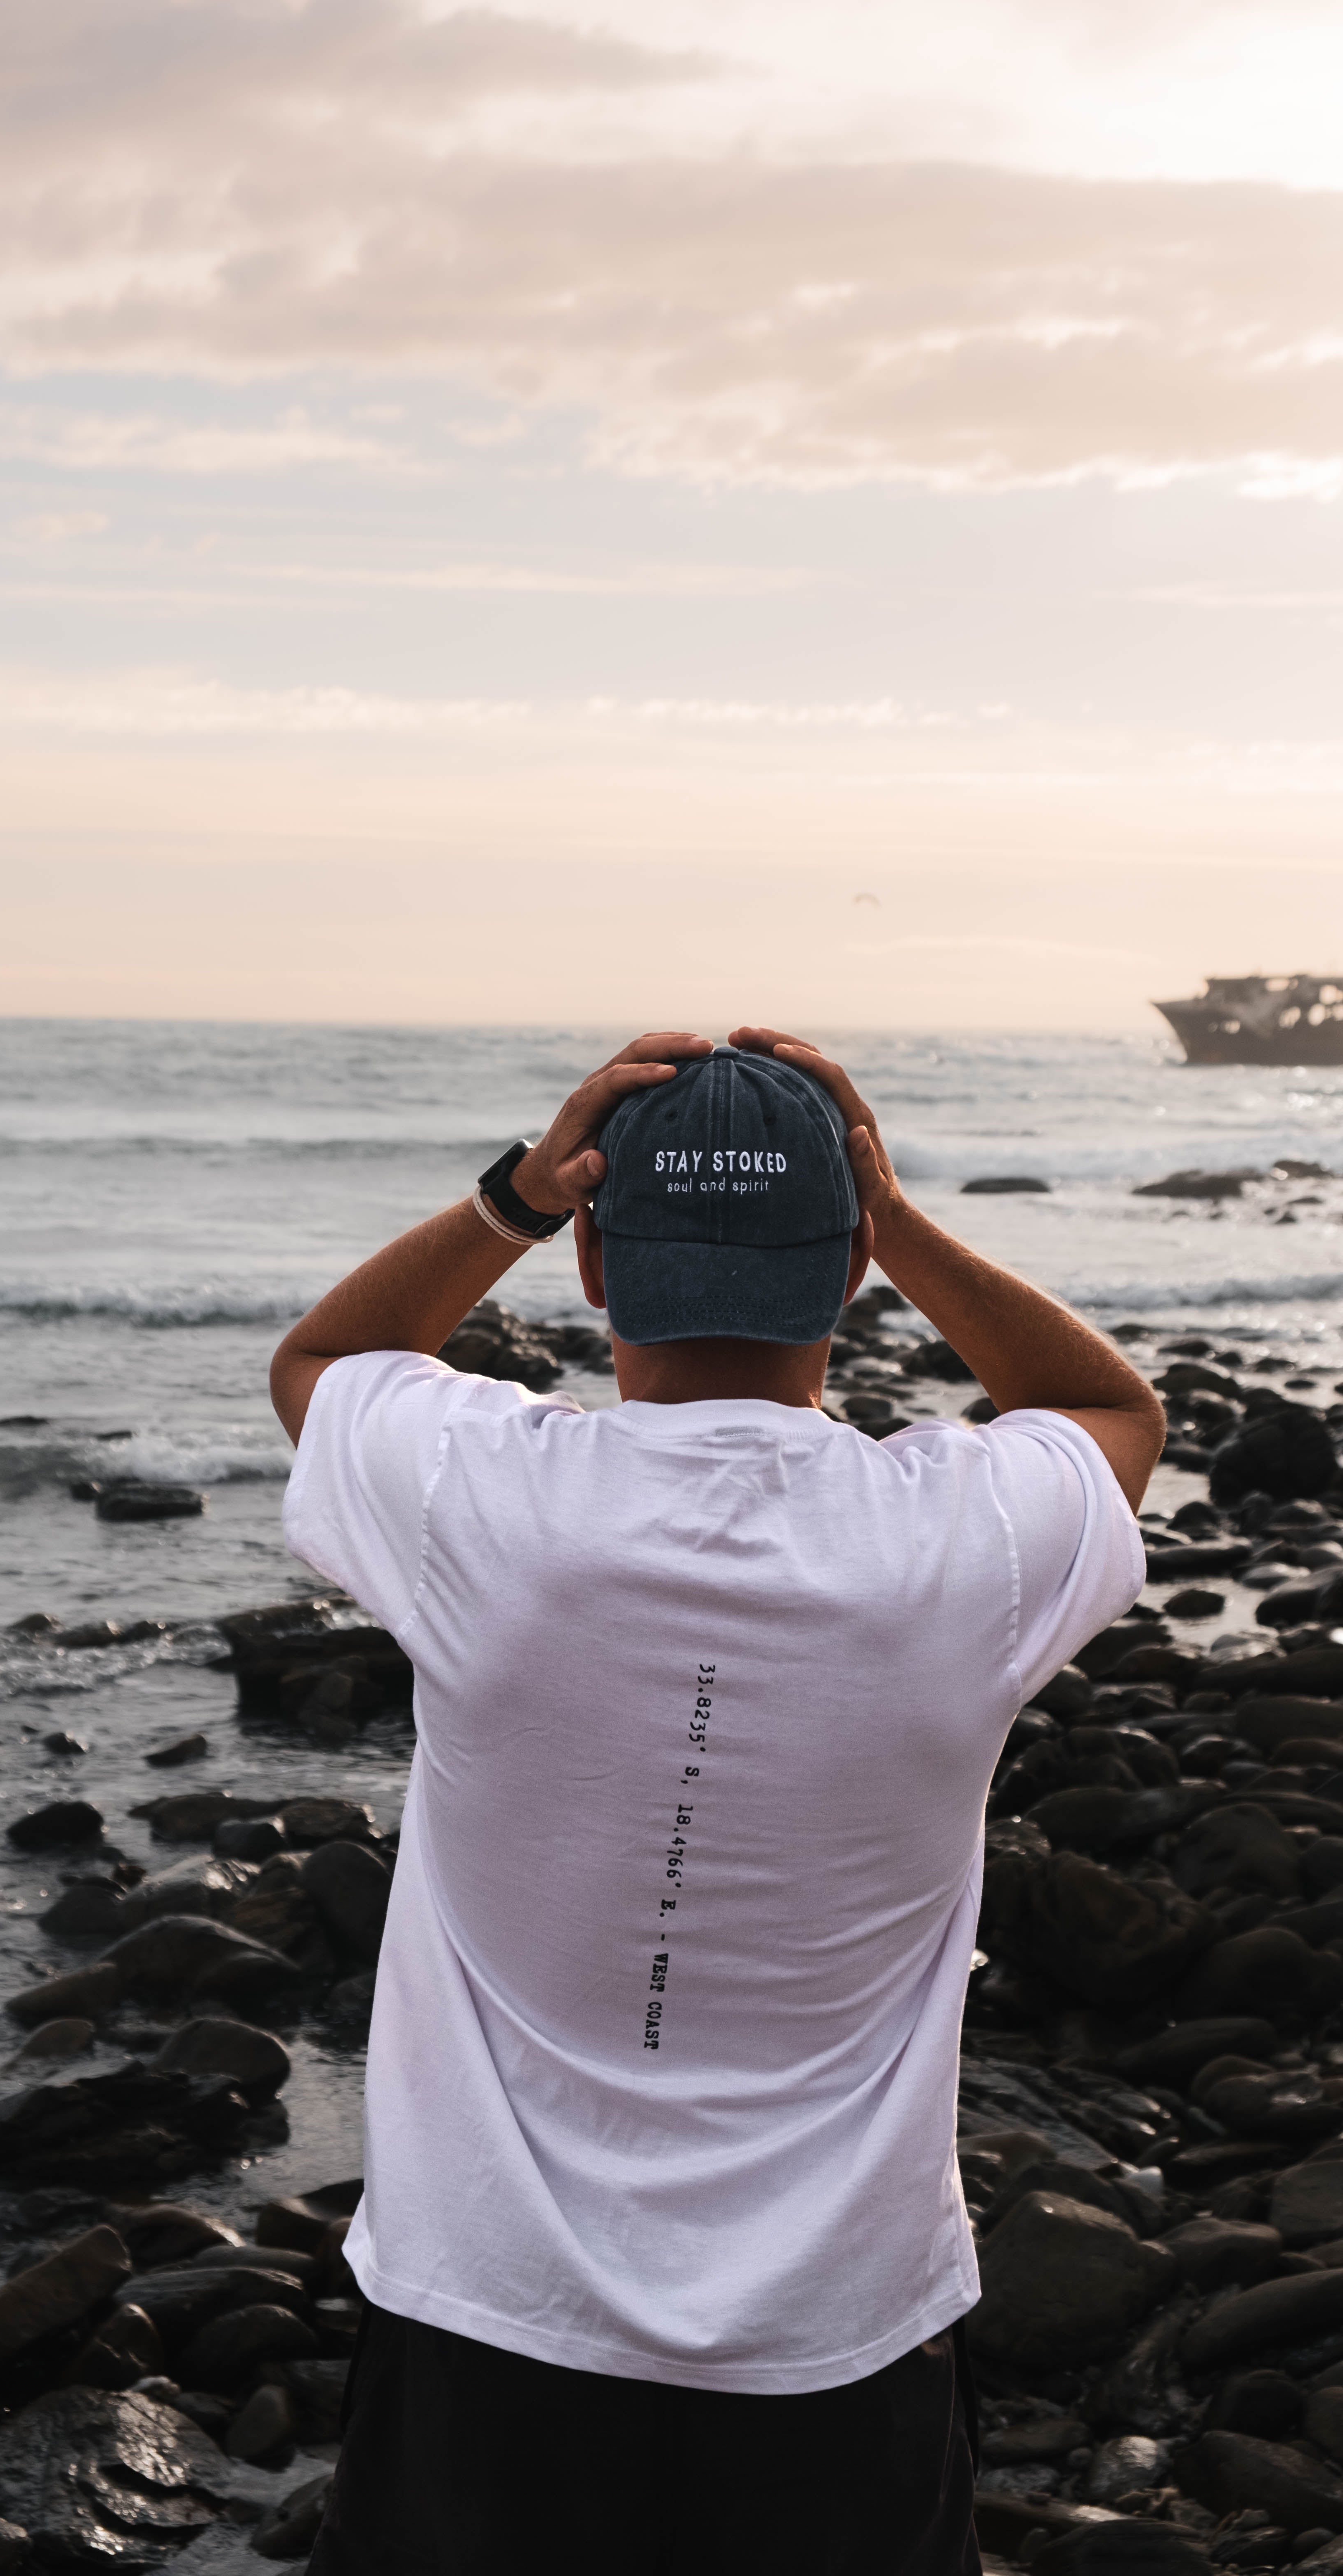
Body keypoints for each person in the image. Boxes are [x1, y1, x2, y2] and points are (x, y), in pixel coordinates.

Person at [270, 1027, 1164, 2576]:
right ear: (853, 1272)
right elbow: (1110, 1410)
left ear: (599, 1267)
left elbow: (320, 1367)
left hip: (489, 2317)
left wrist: (511, 1202)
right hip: (837, 2338)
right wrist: (903, 1219)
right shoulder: (967, 1536)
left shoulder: (482, 1492)